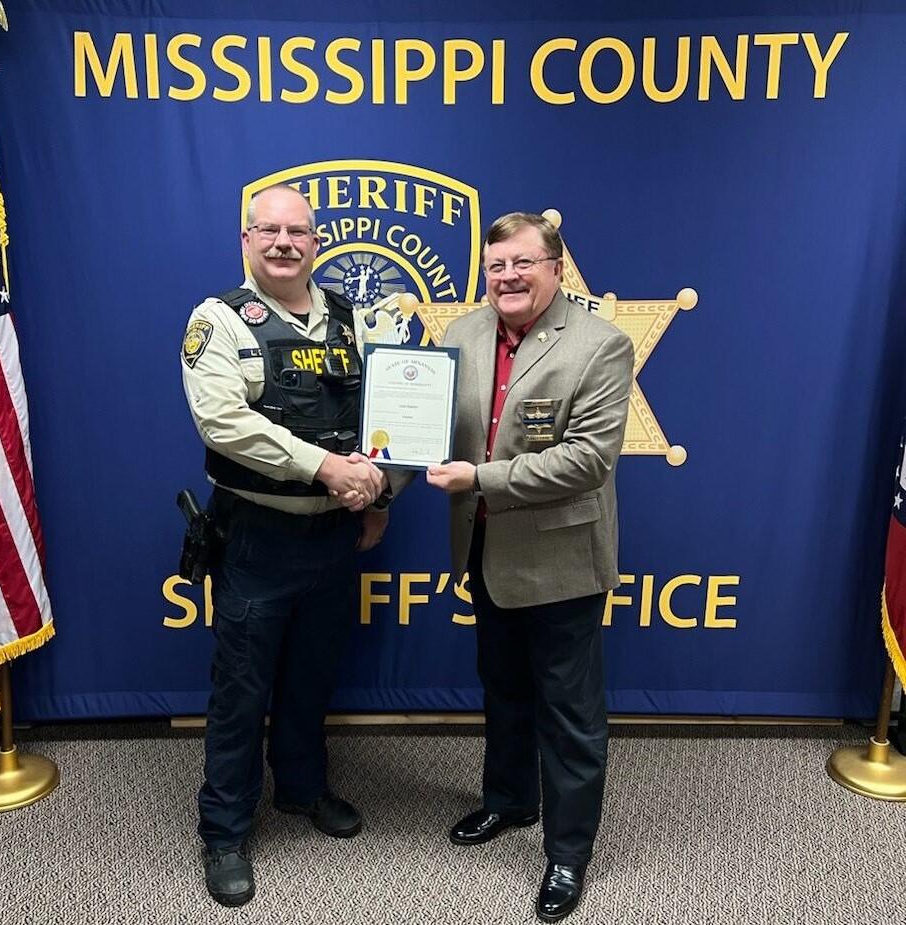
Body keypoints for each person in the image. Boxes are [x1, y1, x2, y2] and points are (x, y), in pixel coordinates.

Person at [180, 184, 390, 907]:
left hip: (335, 535)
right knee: (242, 690)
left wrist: (381, 492)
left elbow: (385, 414)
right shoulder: (219, 322)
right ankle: (225, 830)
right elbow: (223, 423)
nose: (282, 243)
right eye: (267, 230)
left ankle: (302, 788)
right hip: (258, 537)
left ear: (316, 241)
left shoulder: (348, 317)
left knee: (311, 675)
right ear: (246, 240)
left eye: (296, 231)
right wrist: (326, 467)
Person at [425, 212, 633, 923]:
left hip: (561, 560)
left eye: (522, 263)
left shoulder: (601, 344)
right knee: (505, 690)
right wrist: (380, 463)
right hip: (485, 552)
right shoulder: (463, 333)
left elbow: (586, 460)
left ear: (556, 268)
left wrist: (478, 479)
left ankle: (569, 849)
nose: (507, 277)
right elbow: (431, 427)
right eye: (495, 267)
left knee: (570, 714)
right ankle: (510, 801)